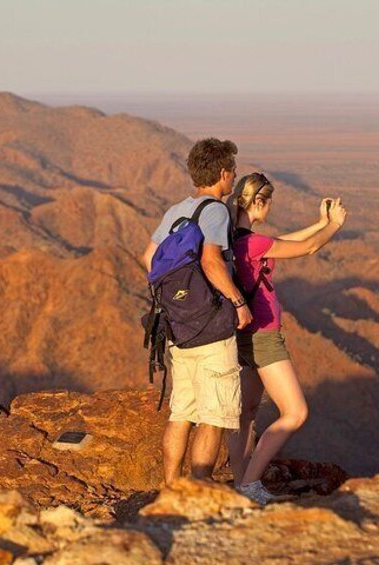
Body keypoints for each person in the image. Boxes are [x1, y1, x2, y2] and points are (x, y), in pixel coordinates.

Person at [225, 172, 347, 504]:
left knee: (246, 413)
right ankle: (251, 485)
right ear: (258, 202)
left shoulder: (235, 239)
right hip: (264, 338)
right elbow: (306, 249)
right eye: (269, 202)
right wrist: (334, 225)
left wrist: (317, 222)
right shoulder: (252, 243)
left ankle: (240, 483)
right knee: (294, 412)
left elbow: (283, 240)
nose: (270, 208)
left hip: (241, 337)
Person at [141, 138, 253, 484]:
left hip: (178, 329)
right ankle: (199, 487)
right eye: (232, 172)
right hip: (210, 329)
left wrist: (177, 301)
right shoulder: (216, 211)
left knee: (181, 412)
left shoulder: (175, 211)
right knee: (215, 416)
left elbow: (148, 259)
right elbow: (211, 261)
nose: (233, 179)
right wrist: (238, 302)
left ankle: (172, 486)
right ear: (222, 173)